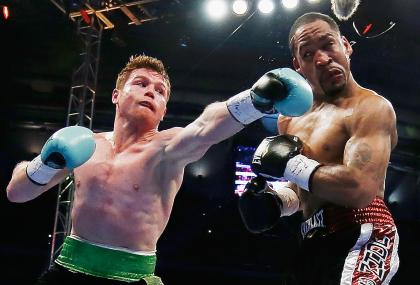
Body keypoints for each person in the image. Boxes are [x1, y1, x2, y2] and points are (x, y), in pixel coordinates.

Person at [6, 54, 313, 284]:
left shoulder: (167, 149)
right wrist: (47, 163)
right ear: (116, 96)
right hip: (69, 271)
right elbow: (16, 194)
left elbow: (207, 127)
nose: (151, 91)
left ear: (164, 109)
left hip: (133, 277)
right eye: (140, 84)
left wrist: (254, 100)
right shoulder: (85, 145)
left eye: (160, 90)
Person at [238, 12, 399, 285]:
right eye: (308, 54)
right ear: (298, 66)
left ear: (346, 46)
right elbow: (303, 188)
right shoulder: (288, 120)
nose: (322, 58)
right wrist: (277, 201)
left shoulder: (371, 108)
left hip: (363, 231)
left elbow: (359, 189)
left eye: (328, 45)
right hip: (312, 241)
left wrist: (290, 164)